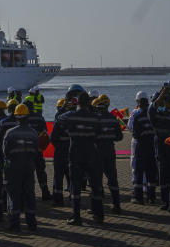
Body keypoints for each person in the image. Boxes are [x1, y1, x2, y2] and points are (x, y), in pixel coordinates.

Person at [59, 92, 104, 225]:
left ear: (76, 102)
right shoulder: (95, 117)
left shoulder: (71, 116)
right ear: (89, 103)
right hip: (91, 154)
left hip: (76, 154)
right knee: (95, 187)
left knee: (76, 187)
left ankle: (76, 216)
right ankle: (98, 215)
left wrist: (68, 107)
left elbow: (59, 118)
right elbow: (99, 132)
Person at [3, 103, 39, 232]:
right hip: (29, 167)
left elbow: (5, 152)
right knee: (29, 194)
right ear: (27, 117)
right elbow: (36, 150)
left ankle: (15, 223)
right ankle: (32, 223)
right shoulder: (34, 133)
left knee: (13, 194)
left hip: (13, 167)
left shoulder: (10, 133)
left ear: (16, 117)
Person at [150, 85, 170, 213]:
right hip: (162, 152)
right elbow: (153, 107)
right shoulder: (155, 115)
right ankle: (165, 202)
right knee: (164, 178)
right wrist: (162, 94)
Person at [92, 95, 124, 212]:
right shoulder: (113, 118)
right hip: (110, 151)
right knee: (113, 179)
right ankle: (117, 205)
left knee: (97, 180)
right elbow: (119, 136)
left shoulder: (95, 119)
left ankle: (97, 208)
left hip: (97, 153)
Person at [128, 92, 157, 204]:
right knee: (151, 173)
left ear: (138, 102)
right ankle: (151, 197)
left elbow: (133, 132)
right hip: (151, 146)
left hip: (139, 146)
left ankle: (138, 196)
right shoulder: (153, 115)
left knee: (138, 172)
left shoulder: (136, 115)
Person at [50, 97, 71, 206]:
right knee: (71, 175)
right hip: (71, 151)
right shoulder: (73, 119)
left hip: (60, 151)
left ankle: (58, 199)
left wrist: (58, 146)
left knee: (58, 176)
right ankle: (73, 197)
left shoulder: (59, 120)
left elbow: (53, 137)